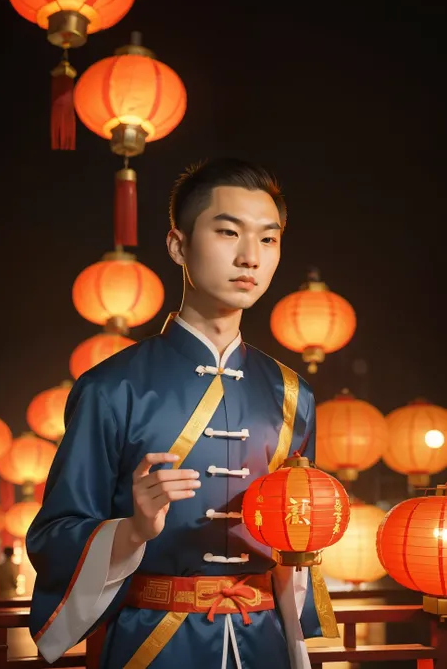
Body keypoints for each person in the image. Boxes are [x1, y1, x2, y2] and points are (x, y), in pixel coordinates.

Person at [26, 158, 338, 669]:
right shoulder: (111, 387)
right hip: (152, 645)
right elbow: (54, 533)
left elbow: (298, 530)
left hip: (264, 643)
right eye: (227, 232)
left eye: (267, 239)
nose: (249, 258)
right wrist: (132, 529)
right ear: (178, 245)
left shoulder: (293, 393)